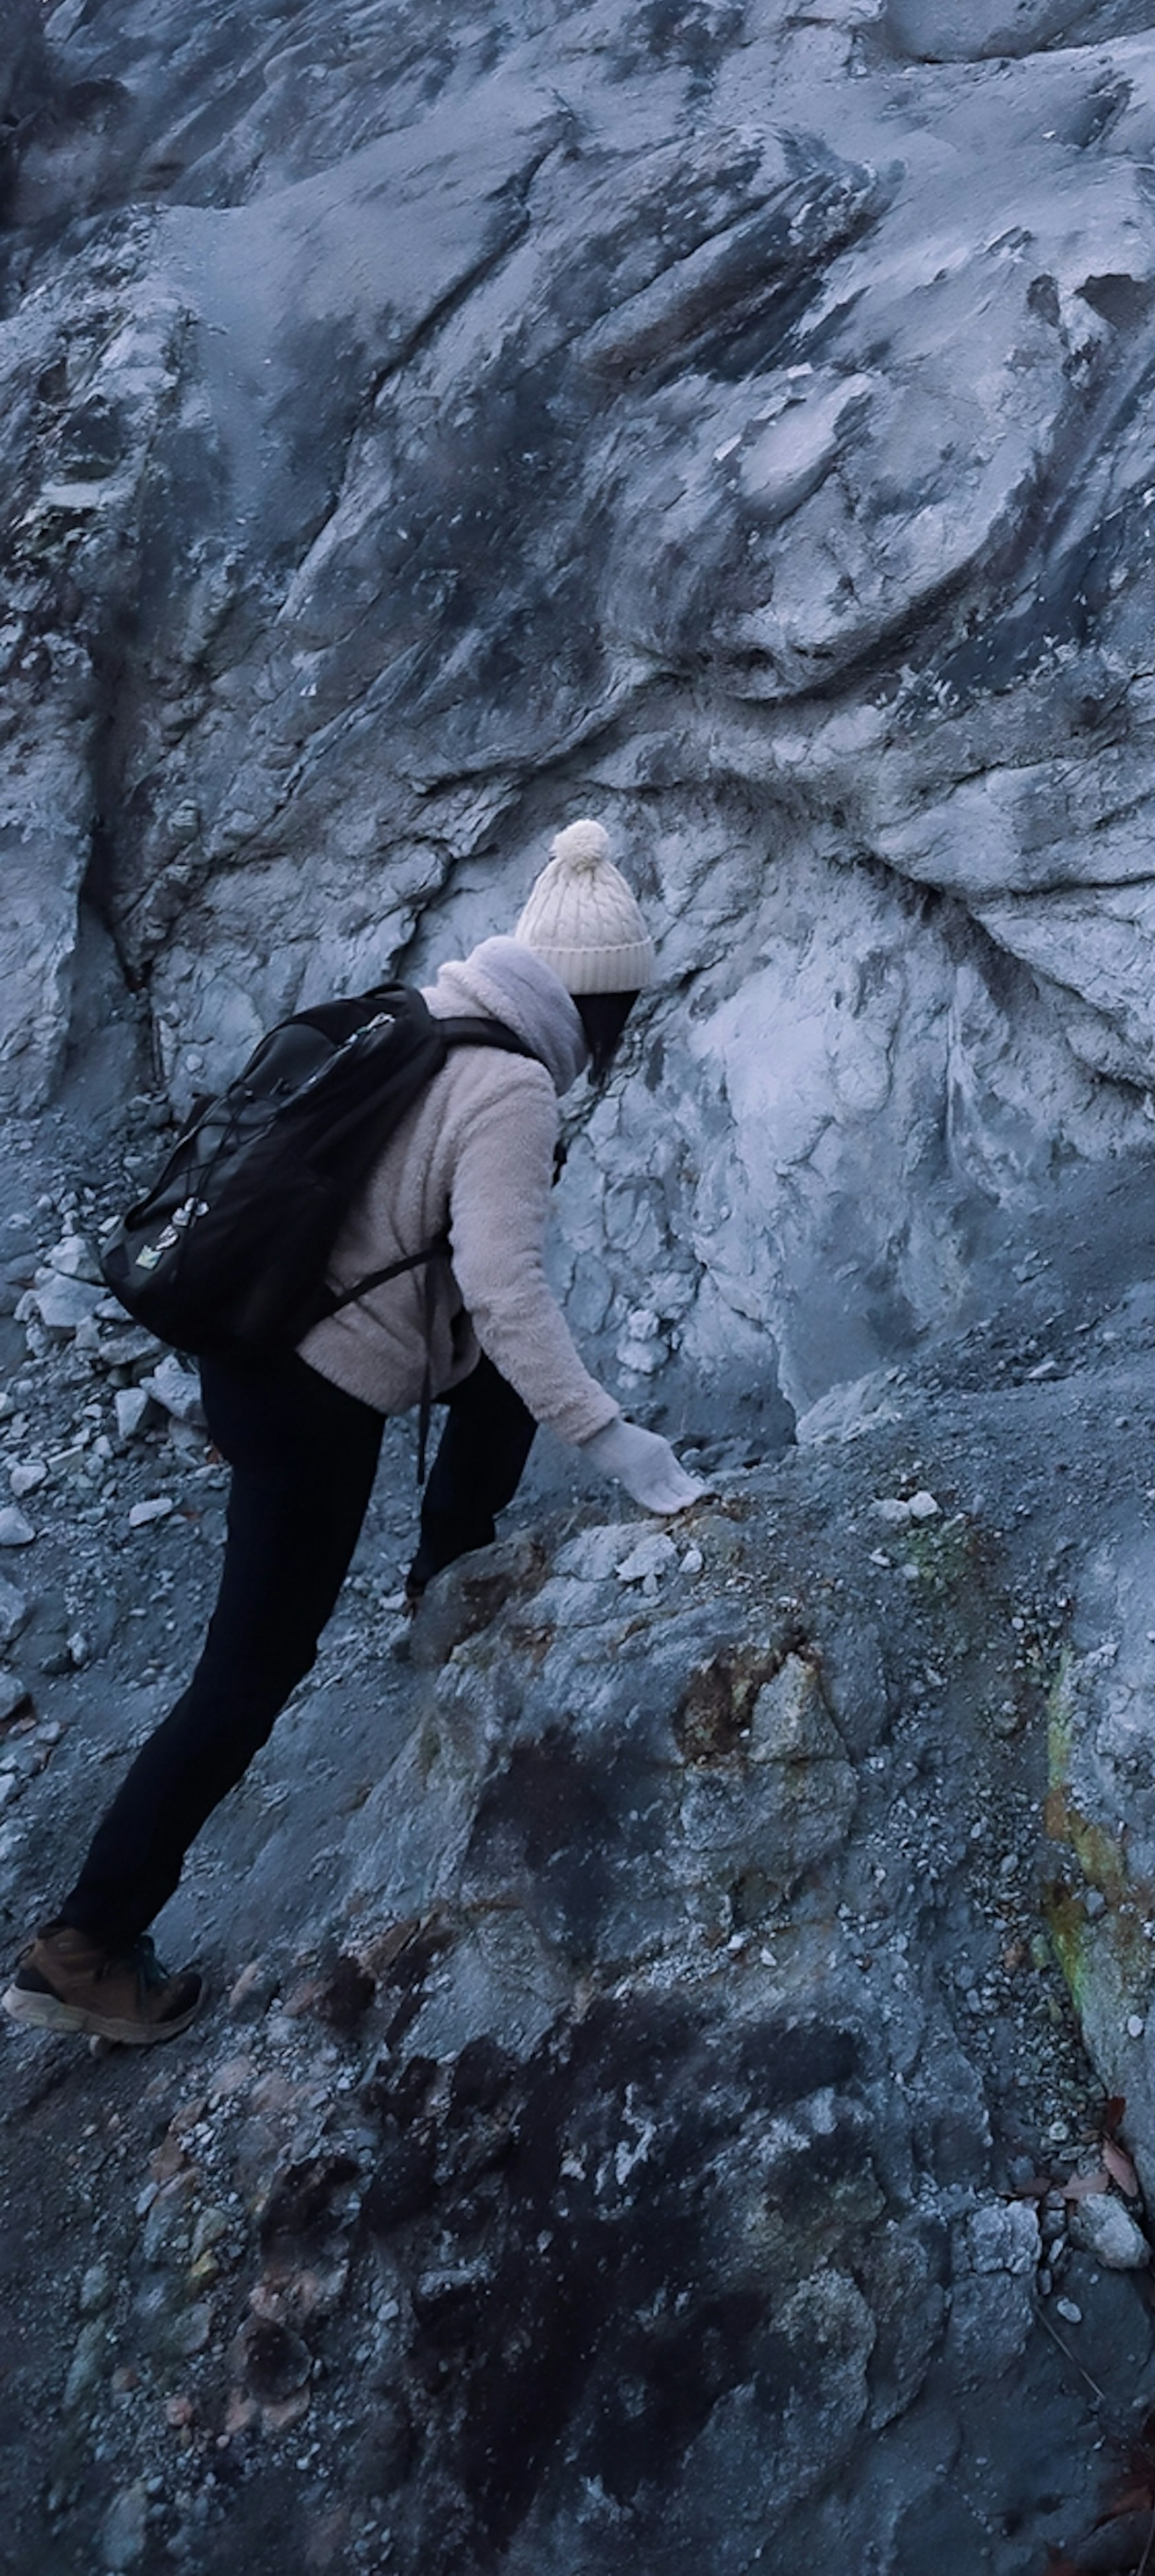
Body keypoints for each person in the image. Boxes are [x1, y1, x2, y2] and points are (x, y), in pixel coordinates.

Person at [4, 819, 704, 2048]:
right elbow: (503, 1288)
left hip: (258, 1350)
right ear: (597, 1006)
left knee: (486, 1382)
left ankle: (446, 1576)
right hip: (304, 1398)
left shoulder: (424, 1020)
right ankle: (86, 1942)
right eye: (623, 1015)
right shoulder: (514, 1086)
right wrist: (613, 1440)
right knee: (251, 1671)